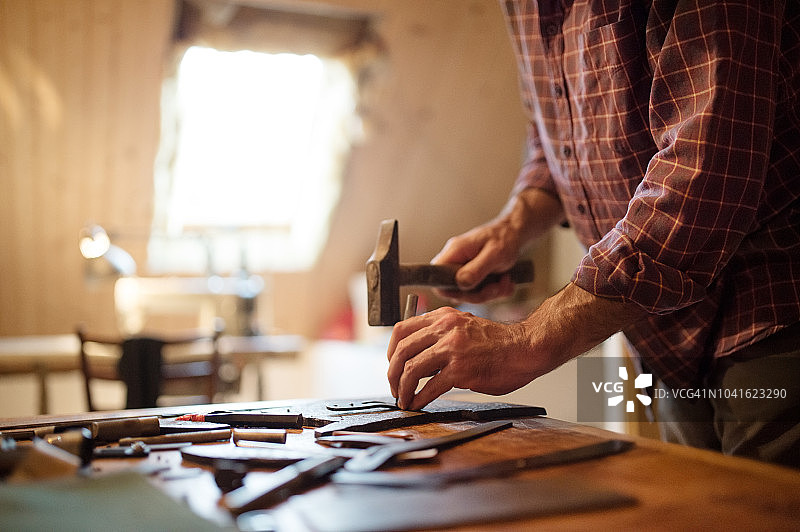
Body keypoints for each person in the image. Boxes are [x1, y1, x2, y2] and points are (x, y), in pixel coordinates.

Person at [386, 1, 800, 468]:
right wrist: (514, 226)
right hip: (659, 328)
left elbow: (706, 173)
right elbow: (555, 135)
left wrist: (525, 342)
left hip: (770, 308)